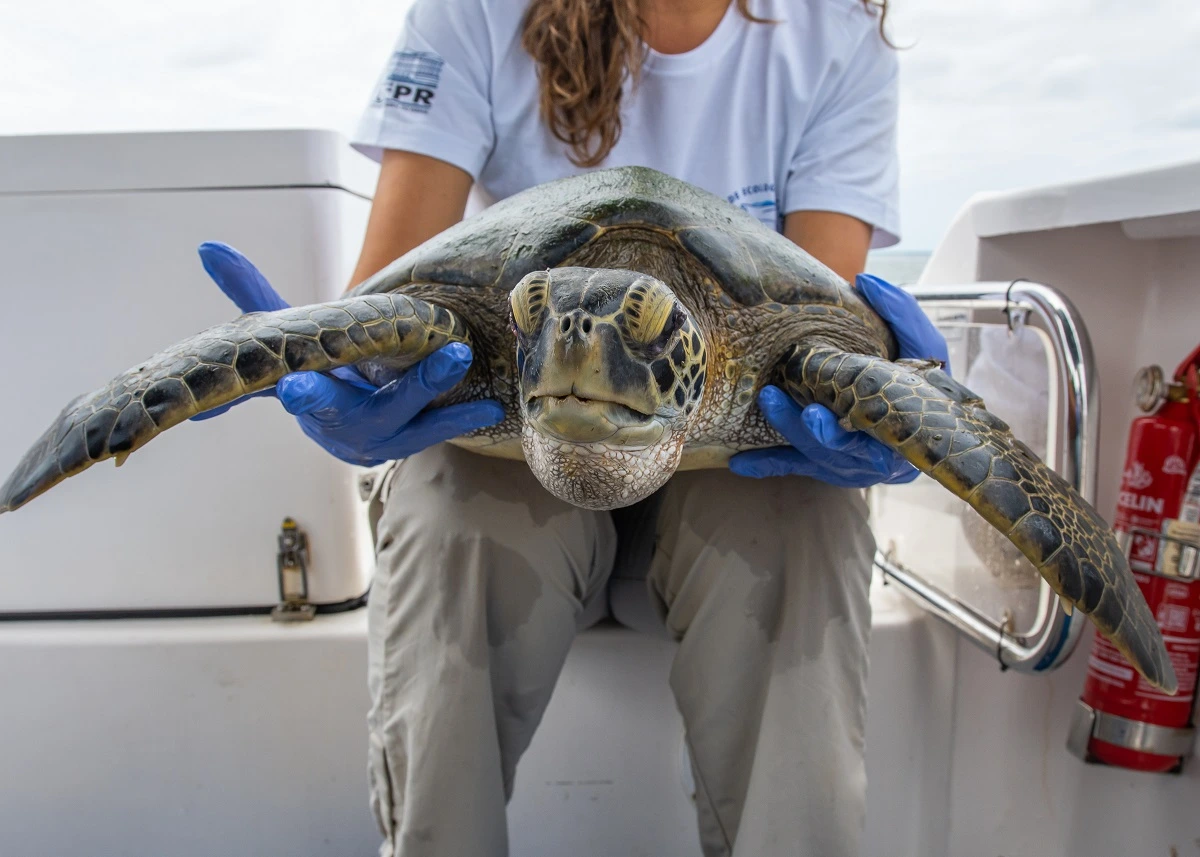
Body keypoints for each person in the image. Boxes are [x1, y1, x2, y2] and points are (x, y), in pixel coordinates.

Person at [197, 0, 949, 854]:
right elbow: (384, 291)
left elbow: (818, 327)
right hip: (520, 427)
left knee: (807, 516)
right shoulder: (479, 11)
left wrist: (889, 407)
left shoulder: (834, 32)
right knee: (454, 508)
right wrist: (337, 373)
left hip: (719, 450)